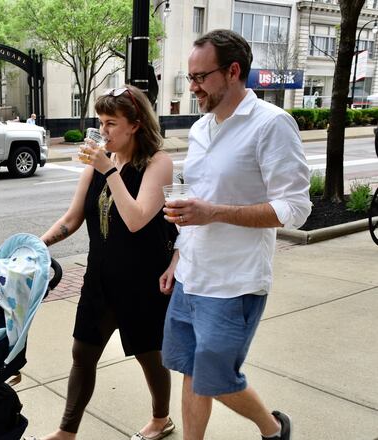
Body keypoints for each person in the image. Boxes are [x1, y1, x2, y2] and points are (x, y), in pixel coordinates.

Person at [159, 29, 311, 440]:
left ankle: (273, 428)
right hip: (191, 276)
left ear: (233, 71)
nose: (192, 88)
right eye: (189, 77)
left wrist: (214, 213)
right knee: (190, 371)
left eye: (200, 77)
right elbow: (198, 200)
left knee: (216, 379)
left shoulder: (272, 125)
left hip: (233, 283)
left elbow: (295, 209)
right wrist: (177, 256)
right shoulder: (200, 128)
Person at [34, 85, 176, 440]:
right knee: (83, 351)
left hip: (142, 279)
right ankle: (66, 433)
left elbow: (137, 218)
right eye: (101, 122)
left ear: (136, 124)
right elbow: (73, 217)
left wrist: (108, 170)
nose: (103, 130)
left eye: (112, 122)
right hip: (100, 277)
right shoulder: (98, 162)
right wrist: (38, 244)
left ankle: (161, 419)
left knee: (149, 353)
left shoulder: (158, 163)